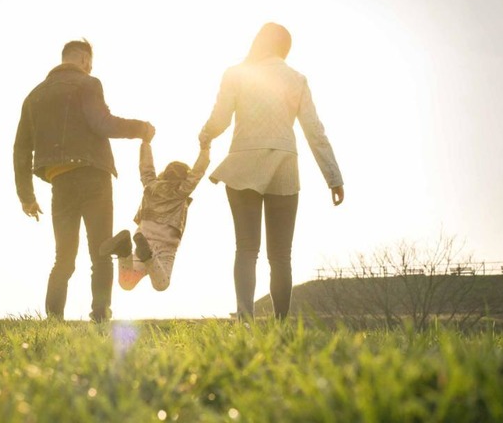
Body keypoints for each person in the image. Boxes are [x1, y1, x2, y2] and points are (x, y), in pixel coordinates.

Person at [198, 22, 345, 320]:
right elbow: (314, 131)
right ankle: (281, 323)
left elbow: (220, 119)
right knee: (281, 256)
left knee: (246, 248)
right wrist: (334, 177)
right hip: (284, 166)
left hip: (243, 164)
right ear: (285, 49)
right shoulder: (297, 79)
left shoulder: (236, 74)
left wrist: (205, 135)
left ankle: (245, 319)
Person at [13, 39, 155, 322]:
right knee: (101, 251)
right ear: (82, 60)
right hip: (93, 177)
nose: (90, 68)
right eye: (89, 63)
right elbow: (103, 123)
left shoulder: (34, 96)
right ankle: (100, 317)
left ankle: (54, 320)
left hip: (60, 182)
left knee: (63, 258)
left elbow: (20, 149)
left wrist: (26, 196)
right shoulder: (89, 84)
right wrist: (141, 129)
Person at [99, 138, 210, 292]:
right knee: (161, 284)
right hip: (165, 247)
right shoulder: (182, 191)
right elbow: (198, 172)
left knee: (127, 283)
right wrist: (205, 149)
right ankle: (148, 256)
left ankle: (124, 250)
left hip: (144, 238)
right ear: (185, 177)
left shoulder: (150, 185)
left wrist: (146, 143)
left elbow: (146, 168)